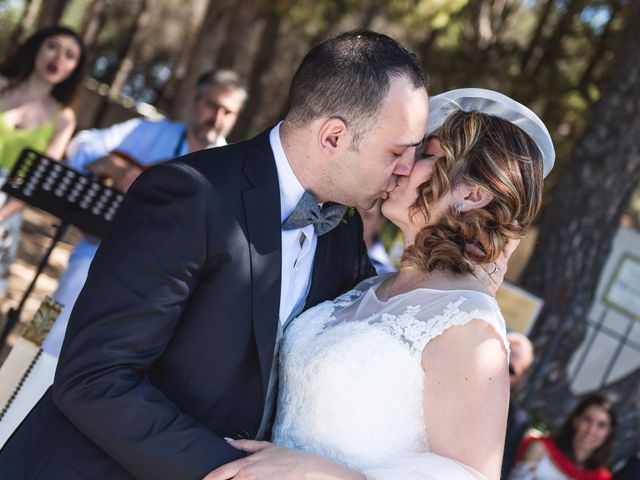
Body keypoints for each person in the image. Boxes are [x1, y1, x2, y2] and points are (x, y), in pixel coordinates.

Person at [0, 30, 437, 479]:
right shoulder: (190, 194)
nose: (407, 170)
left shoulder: (341, 232)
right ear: (332, 137)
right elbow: (95, 380)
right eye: (397, 152)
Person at [205, 88, 555, 480]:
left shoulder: (469, 325)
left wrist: (319, 474)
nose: (403, 165)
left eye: (427, 155)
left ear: (472, 193)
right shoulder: (370, 285)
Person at [40, 69, 248, 358]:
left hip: (160, 284)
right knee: (47, 323)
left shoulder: (231, 171)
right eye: (212, 105)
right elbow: (81, 144)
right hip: (98, 252)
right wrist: (119, 169)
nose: (217, 118)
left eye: (228, 112)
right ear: (195, 99)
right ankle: (19, 378)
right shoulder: (150, 131)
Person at [0, 26, 85, 294]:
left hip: (6, 210)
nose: (58, 58)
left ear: (74, 69)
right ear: (37, 47)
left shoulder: (64, 118)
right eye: (53, 46)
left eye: (70, 55)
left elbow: (35, 181)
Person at [511, 394, 617, 480]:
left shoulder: (601, 478)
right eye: (587, 420)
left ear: (609, 432)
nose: (591, 430)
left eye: (601, 425)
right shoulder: (541, 449)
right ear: (576, 420)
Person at [502, 331, 535, 479]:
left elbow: (502, 468)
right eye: (498, 359)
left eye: (510, 369)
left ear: (520, 378)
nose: (500, 369)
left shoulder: (516, 420)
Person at [358, 201, 397, 273]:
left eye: (367, 216)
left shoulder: (384, 272)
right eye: (353, 210)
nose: (357, 219)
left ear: (380, 223)